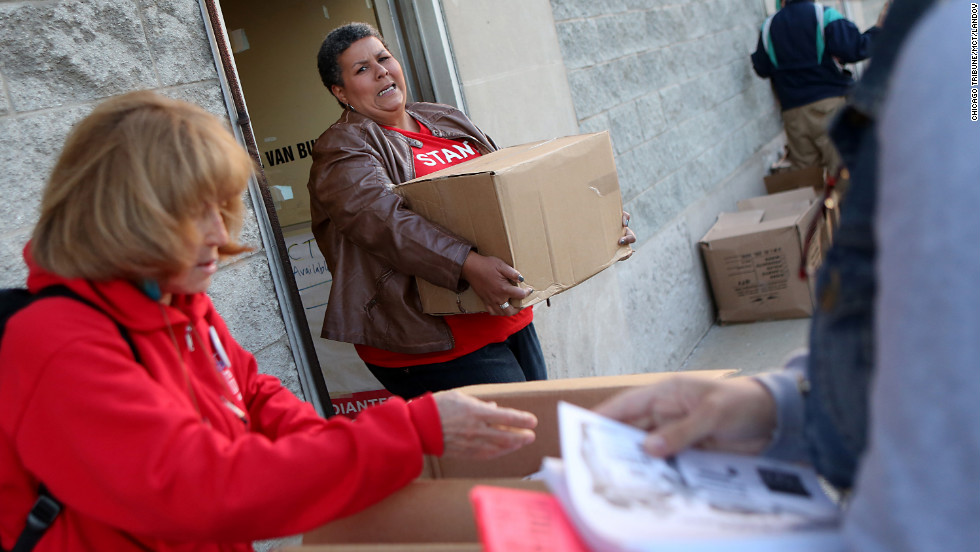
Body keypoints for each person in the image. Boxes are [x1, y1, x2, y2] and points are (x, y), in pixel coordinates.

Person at [0, 91, 539, 552]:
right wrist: (409, 432)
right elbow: (204, 491)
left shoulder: (177, 302)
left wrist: (354, 465)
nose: (220, 233)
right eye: (194, 213)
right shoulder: (55, 342)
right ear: (121, 217)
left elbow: (257, 400)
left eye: (223, 206)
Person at [596, 1, 979, 550]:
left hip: (794, 112)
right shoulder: (933, 32)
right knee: (845, 201)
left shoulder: (955, 44)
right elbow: (920, 313)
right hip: (830, 101)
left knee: (811, 199)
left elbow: (758, 66)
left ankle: (810, 254)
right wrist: (789, 400)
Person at [307, 22, 635, 399]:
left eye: (384, 58)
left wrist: (590, 219)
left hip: (506, 317)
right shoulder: (343, 146)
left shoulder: (444, 118)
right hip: (430, 340)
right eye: (361, 69)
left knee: (542, 434)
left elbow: (508, 193)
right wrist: (468, 263)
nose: (381, 70)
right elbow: (382, 220)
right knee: (520, 447)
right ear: (340, 91)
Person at [751, 0, 887, 178]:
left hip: (793, 115)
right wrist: (880, 29)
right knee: (844, 172)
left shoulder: (768, 27)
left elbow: (761, 68)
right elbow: (856, 49)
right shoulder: (824, 16)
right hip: (828, 108)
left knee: (809, 179)